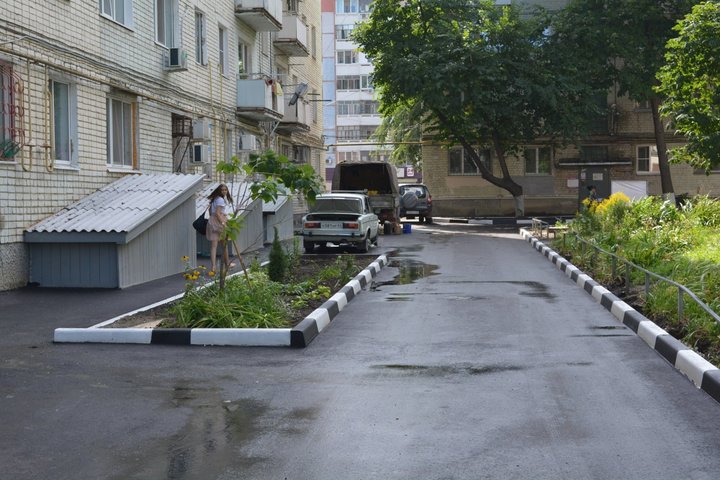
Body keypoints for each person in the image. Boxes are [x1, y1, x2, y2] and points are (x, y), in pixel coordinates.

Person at [206, 184, 235, 273]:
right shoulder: (221, 200)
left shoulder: (214, 199)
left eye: (225, 190)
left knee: (213, 246)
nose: (224, 191)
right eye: (222, 190)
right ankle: (227, 263)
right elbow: (218, 213)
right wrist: (223, 223)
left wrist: (222, 213)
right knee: (224, 244)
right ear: (219, 191)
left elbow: (211, 212)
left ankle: (213, 267)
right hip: (219, 222)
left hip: (212, 221)